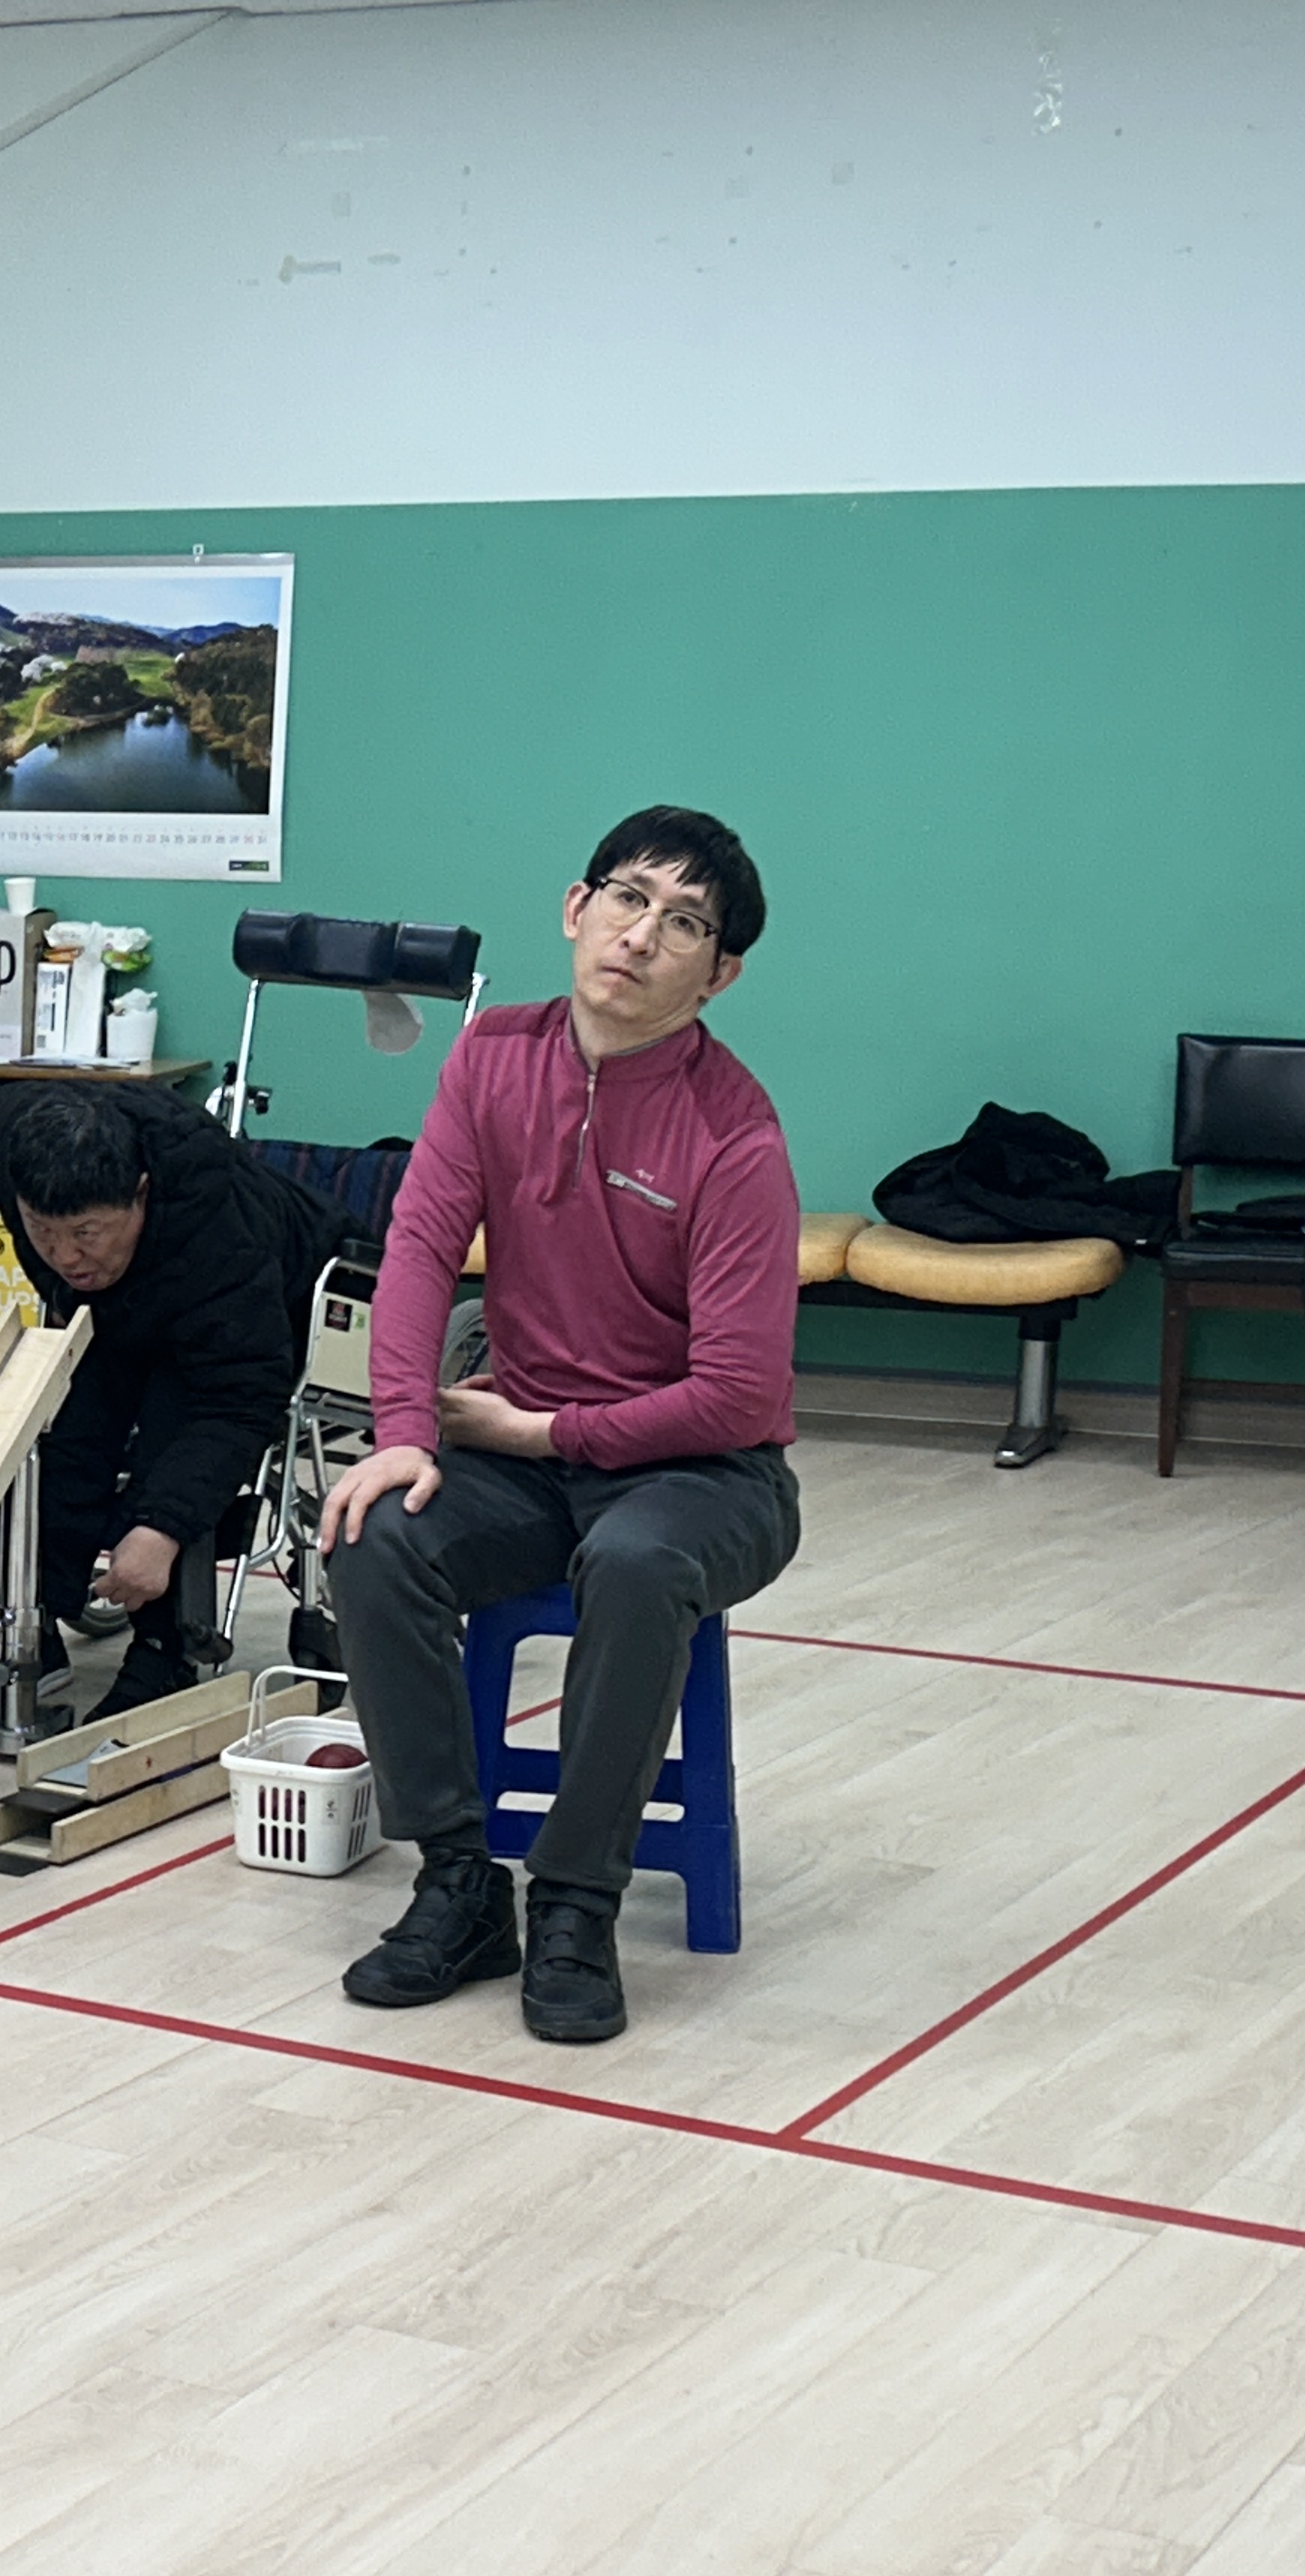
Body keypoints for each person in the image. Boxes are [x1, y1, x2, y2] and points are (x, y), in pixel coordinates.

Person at [322, 805, 803, 2044]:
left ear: (721, 974)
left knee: (636, 1564)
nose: (642, 936)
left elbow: (740, 1395)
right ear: (576, 909)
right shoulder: (492, 1059)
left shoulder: (735, 1133)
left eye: (683, 923)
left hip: (707, 1473)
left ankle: (579, 1905)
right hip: (523, 1453)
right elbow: (420, 1245)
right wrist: (402, 1429)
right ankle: (458, 1884)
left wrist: (547, 1435)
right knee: (375, 1532)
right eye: (628, 899)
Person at [0, 1076, 349, 1721]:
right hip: (123, 1309)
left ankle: (166, 1649)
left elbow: (235, 1400)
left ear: (139, 1193)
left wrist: (160, 1529)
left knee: (174, 1420)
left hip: (273, 1302)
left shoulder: (222, 1236)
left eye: (87, 1232)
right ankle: (27, 1615)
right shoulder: (4, 1138)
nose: (64, 1255)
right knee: (53, 1425)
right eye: (42, 1231)